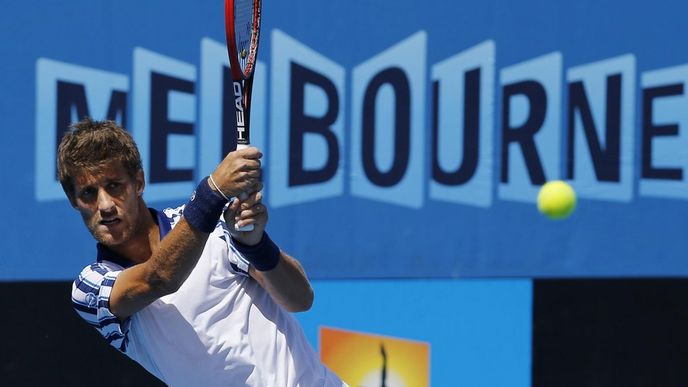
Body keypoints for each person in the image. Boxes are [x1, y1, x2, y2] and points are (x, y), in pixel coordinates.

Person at [59, 118, 346, 386]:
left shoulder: (215, 229)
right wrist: (213, 192)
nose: (106, 205)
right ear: (74, 201)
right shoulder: (90, 288)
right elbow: (158, 279)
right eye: (89, 193)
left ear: (139, 183)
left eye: (114, 186)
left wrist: (257, 245)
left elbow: (300, 299)